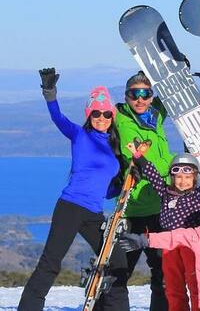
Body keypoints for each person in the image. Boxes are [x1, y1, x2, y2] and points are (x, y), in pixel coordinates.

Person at [19, 69, 128, 311]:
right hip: (70, 207)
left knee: (115, 259)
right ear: (89, 114)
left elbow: (106, 191)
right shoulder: (79, 135)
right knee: (51, 262)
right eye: (96, 113)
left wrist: (122, 183)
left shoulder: (114, 149)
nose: (102, 117)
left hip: (94, 213)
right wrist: (50, 93)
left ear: (112, 116)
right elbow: (58, 118)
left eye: (106, 113)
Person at [134, 145, 200, 311]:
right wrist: (139, 157)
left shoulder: (196, 196)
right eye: (178, 177)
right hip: (169, 245)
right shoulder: (165, 193)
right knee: (173, 285)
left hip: (190, 246)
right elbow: (153, 175)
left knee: (195, 284)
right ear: (172, 177)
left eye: (187, 177)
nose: (182, 181)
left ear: (194, 178)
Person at [115, 71, 173, 310]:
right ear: (126, 97)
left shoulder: (154, 117)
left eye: (145, 94)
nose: (140, 100)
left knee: (162, 272)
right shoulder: (124, 121)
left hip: (160, 206)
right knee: (119, 271)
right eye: (134, 94)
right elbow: (137, 158)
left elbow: (172, 96)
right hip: (135, 208)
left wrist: (175, 71)